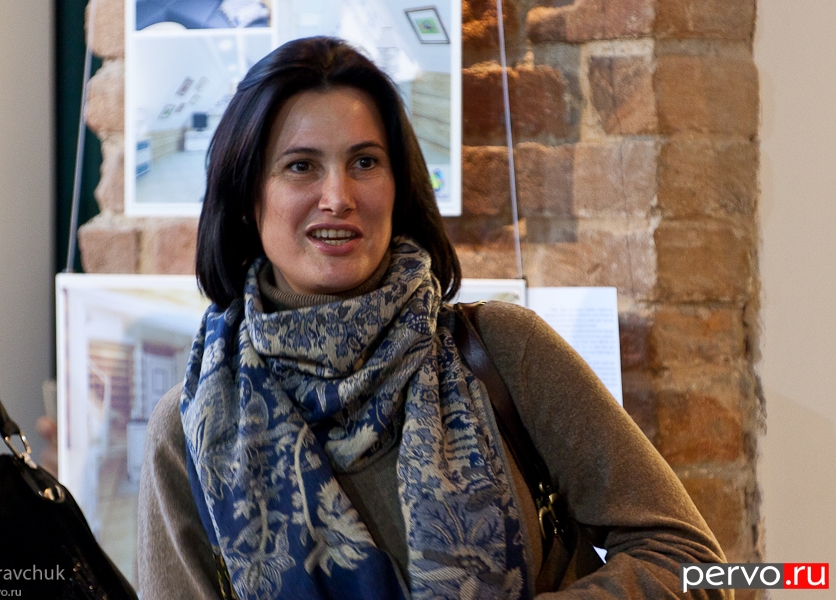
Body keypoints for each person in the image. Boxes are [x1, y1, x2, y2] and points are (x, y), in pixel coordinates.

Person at [137, 36, 731, 599]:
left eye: (365, 162)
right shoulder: (190, 434)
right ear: (247, 197)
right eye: (301, 166)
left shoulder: (503, 353)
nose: (338, 196)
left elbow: (691, 563)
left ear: (399, 185)